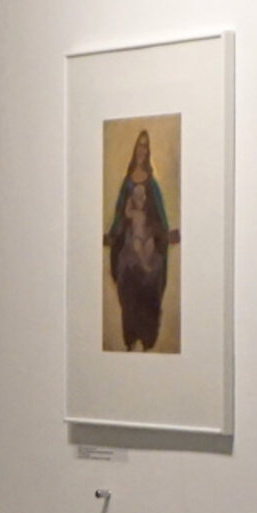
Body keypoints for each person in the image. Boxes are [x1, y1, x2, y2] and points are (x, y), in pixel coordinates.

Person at [104, 129, 176, 352]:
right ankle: (131, 337)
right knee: (127, 270)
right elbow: (120, 215)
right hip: (130, 241)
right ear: (135, 148)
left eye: (146, 145)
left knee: (153, 273)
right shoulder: (127, 184)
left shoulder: (152, 185)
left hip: (149, 240)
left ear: (148, 150)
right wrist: (113, 234)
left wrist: (161, 234)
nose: (142, 149)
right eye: (140, 145)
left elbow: (159, 216)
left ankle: (147, 338)